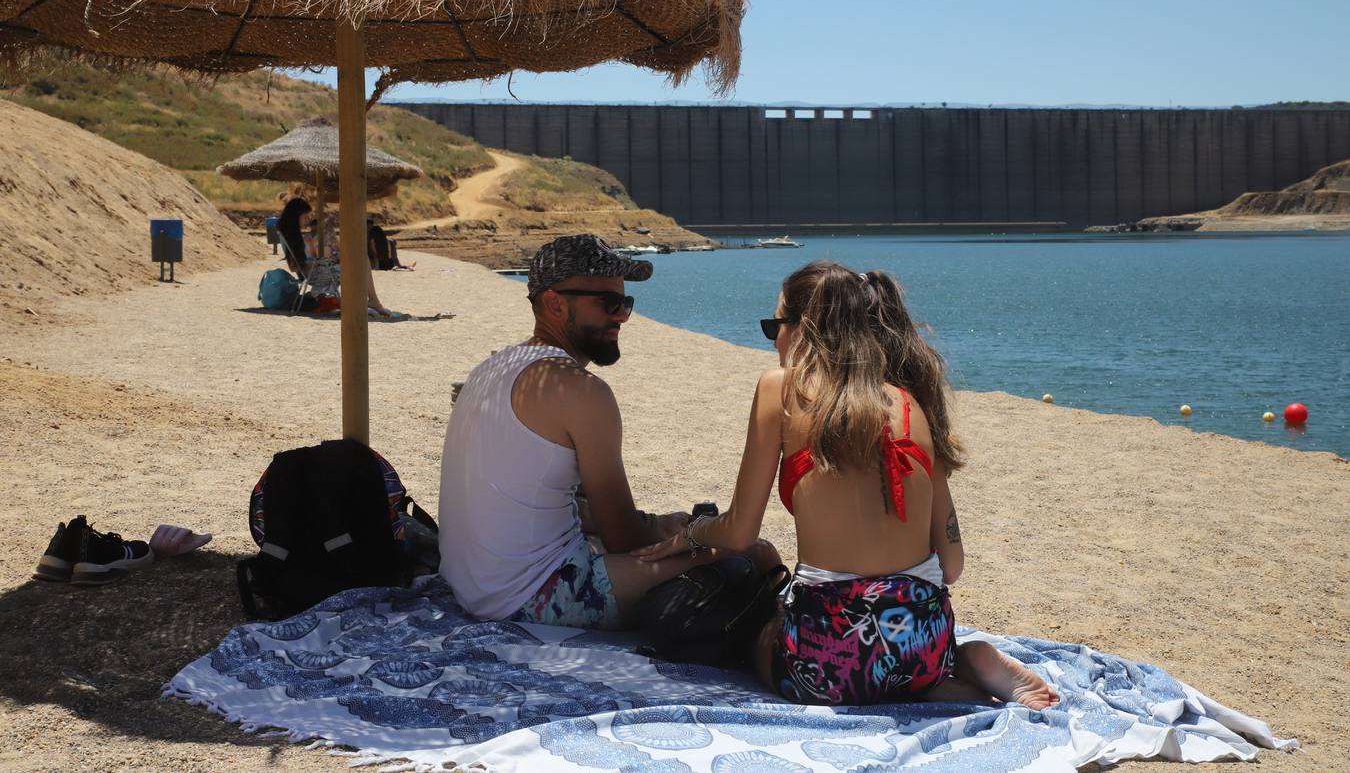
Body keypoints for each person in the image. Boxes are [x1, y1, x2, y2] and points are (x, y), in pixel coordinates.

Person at [636, 261, 1059, 709]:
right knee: (892, 662)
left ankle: (930, 672)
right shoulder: (912, 402)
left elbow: (739, 531)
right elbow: (951, 566)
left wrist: (692, 533)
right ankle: (958, 665)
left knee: (756, 633)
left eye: (774, 325)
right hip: (925, 644)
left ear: (804, 328)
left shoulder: (781, 388)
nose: (774, 340)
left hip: (827, 666)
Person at [437, 233, 779, 630]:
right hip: (527, 597)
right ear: (554, 304)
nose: (622, 316)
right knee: (757, 553)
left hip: (469, 584)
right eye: (609, 303)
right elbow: (625, 540)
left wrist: (659, 524)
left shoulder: (492, 369)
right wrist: (691, 536)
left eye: (626, 303)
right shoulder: (582, 392)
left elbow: (534, 501)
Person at [274, 197, 398, 316]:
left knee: (358, 257)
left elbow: (301, 262)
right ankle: (372, 300)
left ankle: (370, 300)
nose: (307, 220)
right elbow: (297, 265)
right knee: (361, 259)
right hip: (319, 273)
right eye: (305, 216)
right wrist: (318, 251)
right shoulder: (296, 238)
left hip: (315, 270)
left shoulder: (291, 236)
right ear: (295, 216)